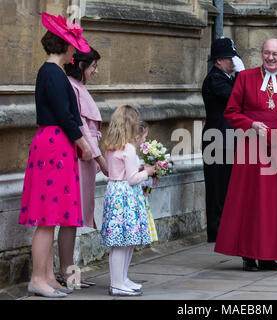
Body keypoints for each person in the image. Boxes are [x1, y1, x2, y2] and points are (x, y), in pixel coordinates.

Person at [214, 38, 277, 271]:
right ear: (261, 54)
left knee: (273, 205)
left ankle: (268, 256)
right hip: (251, 146)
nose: (271, 58)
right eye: (267, 53)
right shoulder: (244, 78)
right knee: (250, 201)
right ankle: (248, 254)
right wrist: (251, 124)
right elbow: (231, 111)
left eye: (276, 54)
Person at [18, 12, 92, 298]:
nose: (75, 49)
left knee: (52, 216)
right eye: (73, 44)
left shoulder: (53, 72)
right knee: (47, 218)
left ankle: (48, 277)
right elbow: (63, 114)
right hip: (53, 145)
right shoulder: (51, 72)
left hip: (55, 145)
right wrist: (83, 143)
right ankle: (38, 278)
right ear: (64, 44)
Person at [54, 47, 108, 289]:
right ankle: (67, 274)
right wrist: (101, 160)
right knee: (69, 218)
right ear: (81, 65)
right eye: (93, 66)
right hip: (76, 159)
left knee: (73, 220)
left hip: (83, 160)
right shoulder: (72, 87)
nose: (95, 71)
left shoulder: (79, 87)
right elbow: (83, 129)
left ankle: (71, 273)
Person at [101, 105, 157, 296]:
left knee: (124, 241)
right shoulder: (129, 149)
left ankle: (122, 279)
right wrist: (148, 172)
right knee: (123, 242)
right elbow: (132, 178)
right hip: (126, 196)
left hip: (115, 193)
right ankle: (117, 283)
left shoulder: (112, 147)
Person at [202, 37, 245, 242]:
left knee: (228, 185)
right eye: (230, 58)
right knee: (217, 187)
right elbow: (236, 97)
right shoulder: (215, 79)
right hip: (217, 139)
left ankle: (225, 228)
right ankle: (216, 231)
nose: (233, 62)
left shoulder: (226, 78)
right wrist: (242, 76)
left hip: (228, 137)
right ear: (219, 60)